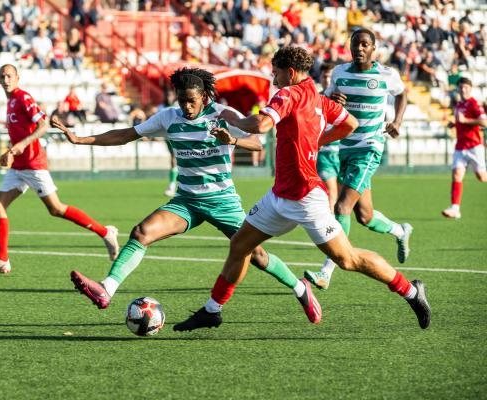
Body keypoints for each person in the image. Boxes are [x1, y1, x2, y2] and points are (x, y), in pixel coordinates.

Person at [173, 46, 431, 333]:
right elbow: (350, 124)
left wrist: (231, 120)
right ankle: (212, 310)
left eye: (277, 73)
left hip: (307, 196)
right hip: (279, 196)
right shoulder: (319, 99)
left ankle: (410, 290)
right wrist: (319, 141)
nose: (274, 78)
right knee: (240, 245)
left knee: (347, 259)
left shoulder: (289, 94)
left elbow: (261, 124)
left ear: (291, 73)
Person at [52, 67, 322, 324]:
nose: (186, 107)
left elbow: (256, 141)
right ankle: (106, 289)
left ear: (204, 97)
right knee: (141, 233)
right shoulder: (169, 117)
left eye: (191, 101)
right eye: (182, 101)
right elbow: (126, 134)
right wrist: (81, 140)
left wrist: (232, 140)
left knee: (258, 256)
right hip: (186, 201)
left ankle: (300, 289)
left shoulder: (223, 114)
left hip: (222, 201)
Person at [0, 64, 119, 275]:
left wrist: (22, 145)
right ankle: (2, 259)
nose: (5, 79)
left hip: (33, 164)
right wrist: (11, 152)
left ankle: (106, 232)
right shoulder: (10, 101)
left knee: (56, 209)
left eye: (9, 76)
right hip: (18, 166)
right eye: (2, 76)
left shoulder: (23, 97)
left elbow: (43, 125)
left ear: (17, 78)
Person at [304, 29, 413, 291]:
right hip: (346, 148)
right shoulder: (340, 73)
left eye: (365, 44)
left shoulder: (386, 75)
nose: (360, 48)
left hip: (369, 148)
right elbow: (325, 102)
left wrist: (397, 121)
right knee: (364, 215)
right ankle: (400, 231)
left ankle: (325, 273)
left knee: (341, 208)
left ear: (374, 48)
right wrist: (331, 99)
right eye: (356, 44)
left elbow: (403, 93)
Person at [442, 77, 487, 219]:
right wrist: (454, 124)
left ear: (470, 88)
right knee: (456, 174)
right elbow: (460, 121)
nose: (463, 89)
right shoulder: (459, 105)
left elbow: (484, 122)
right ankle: (455, 208)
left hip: (474, 146)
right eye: (461, 87)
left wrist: (465, 121)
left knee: (482, 177)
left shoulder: (474, 104)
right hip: (460, 147)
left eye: (466, 87)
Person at [316, 62, 339, 211]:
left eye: (330, 77)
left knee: (345, 200)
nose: (327, 80)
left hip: (342, 152)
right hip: (324, 153)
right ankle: (330, 227)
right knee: (331, 191)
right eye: (325, 76)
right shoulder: (316, 99)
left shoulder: (342, 98)